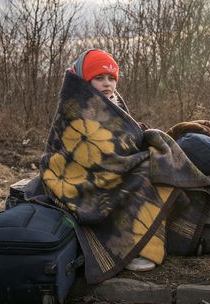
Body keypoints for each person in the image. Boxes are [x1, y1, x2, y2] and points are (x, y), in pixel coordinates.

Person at [68, 49, 156, 271]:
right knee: (136, 179)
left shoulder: (114, 103)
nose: (107, 84)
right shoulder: (77, 105)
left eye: (111, 78)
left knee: (157, 167)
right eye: (99, 78)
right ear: (85, 81)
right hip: (83, 176)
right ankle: (121, 251)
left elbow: (126, 136)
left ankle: (147, 240)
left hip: (112, 165)